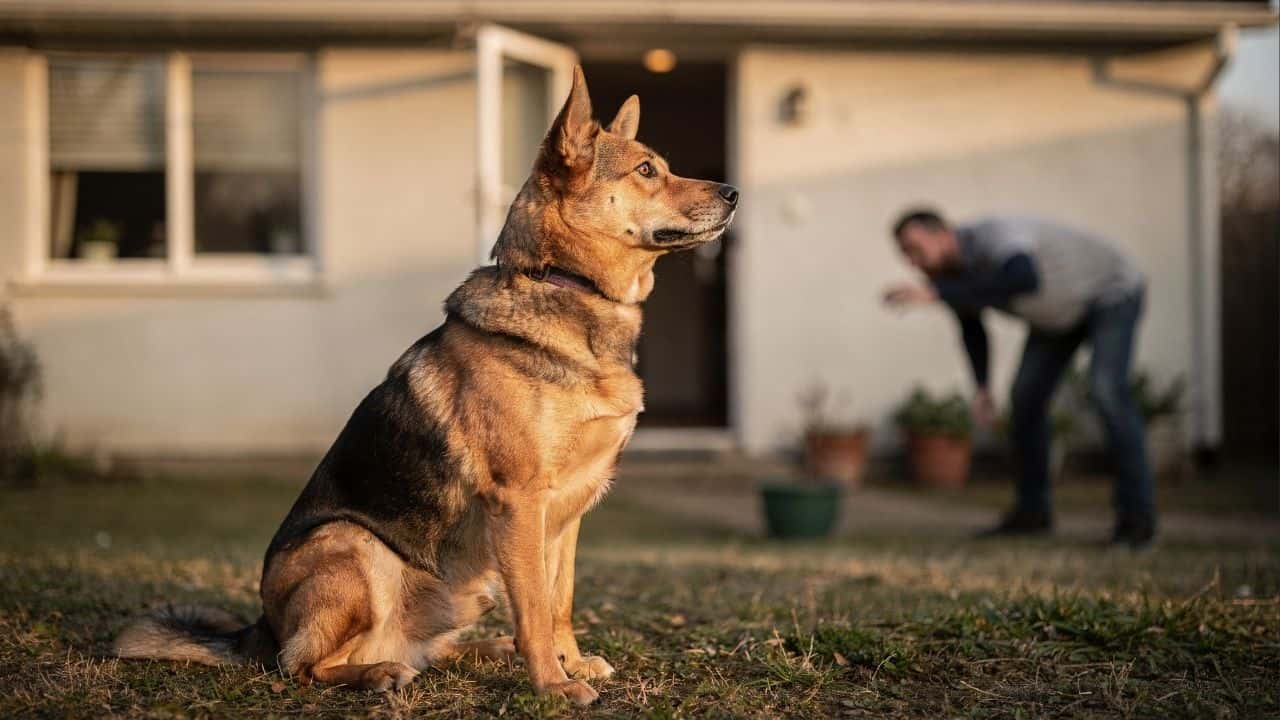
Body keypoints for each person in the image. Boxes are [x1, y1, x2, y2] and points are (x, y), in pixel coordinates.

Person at [883, 209, 1155, 548]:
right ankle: (1032, 514)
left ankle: (1137, 521)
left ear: (941, 233)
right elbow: (972, 326)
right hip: (1057, 319)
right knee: (1025, 400)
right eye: (905, 254)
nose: (912, 261)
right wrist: (982, 386)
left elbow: (1024, 278)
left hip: (1110, 290)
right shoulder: (949, 278)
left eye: (914, 247)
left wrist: (940, 295)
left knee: (1106, 391)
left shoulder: (994, 235)